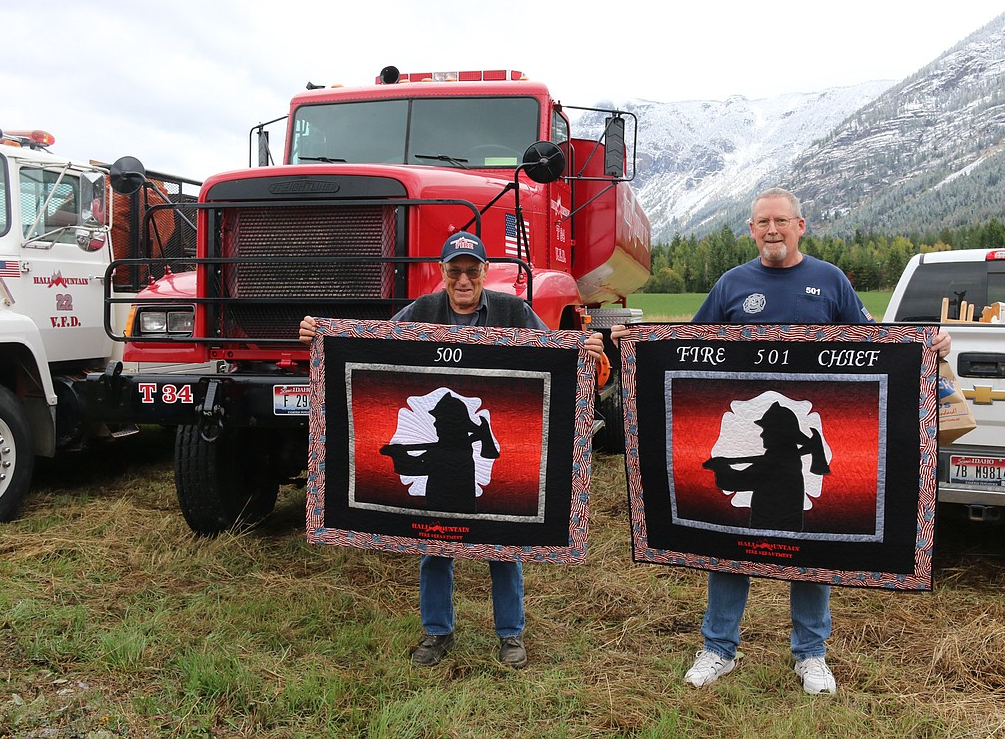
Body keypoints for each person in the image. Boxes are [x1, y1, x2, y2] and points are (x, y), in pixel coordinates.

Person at [613, 187, 951, 694]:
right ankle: (718, 648)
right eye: (762, 222)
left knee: (809, 548)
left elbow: (876, 347)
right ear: (751, 230)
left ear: (800, 226)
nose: (772, 230)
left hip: (804, 434)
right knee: (729, 541)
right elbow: (688, 348)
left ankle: (811, 654)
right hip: (750, 426)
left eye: (781, 221)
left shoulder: (830, 281)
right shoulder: (732, 285)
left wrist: (928, 347)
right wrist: (638, 345)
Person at [300, 230, 606, 669]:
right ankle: (437, 631)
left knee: (504, 542)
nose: (463, 280)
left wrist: (586, 349)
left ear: (485, 272)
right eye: (454, 271)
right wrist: (319, 337)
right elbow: (366, 349)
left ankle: (510, 633)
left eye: (472, 271)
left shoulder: (513, 311)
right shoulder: (420, 311)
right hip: (444, 479)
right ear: (443, 273)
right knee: (433, 544)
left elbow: (557, 357)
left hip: (470, 474)